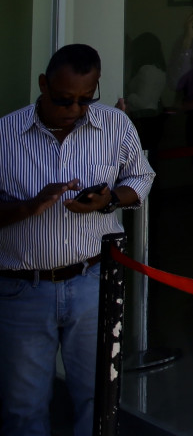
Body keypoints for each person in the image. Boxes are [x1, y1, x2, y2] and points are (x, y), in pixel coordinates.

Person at [0, 44, 155, 436]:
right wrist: (29, 206)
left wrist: (109, 200)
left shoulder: (115, 126)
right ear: (43, 84)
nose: (74, 109)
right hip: (23, 289)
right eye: (63, 99)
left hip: (93, 281)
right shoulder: (5, 134)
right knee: (24, 406)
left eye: (86, 99)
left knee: (98, 396)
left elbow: (141, 177)